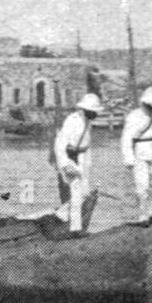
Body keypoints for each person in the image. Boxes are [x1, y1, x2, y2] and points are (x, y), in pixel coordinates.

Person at [121, 86, 152, 225]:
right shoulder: (134, 116)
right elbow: (126, 138)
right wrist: (128, 158)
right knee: (142, 185)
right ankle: (143, 215)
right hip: (140, 150)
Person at [54, 93, 101, 235]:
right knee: (76, 193)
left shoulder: (88, 121)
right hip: (71, 159)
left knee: (84, 194)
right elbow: (60, 143)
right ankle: (76, 229)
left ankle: (62, 214)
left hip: (84, 159)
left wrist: (88, 163)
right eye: (93, 111)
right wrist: (64, 164)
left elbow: (86, 145)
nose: (95, 114)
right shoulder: (72, 121)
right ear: (85, 109)